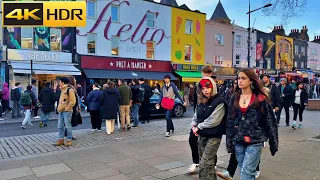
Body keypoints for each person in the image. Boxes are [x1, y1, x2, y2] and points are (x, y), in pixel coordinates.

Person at [226, 69, 278, 180]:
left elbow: (270, 121)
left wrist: (273, 143)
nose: (240, 81)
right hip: (239, 141)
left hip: (255, 141)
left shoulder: (261, 99)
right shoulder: (234, 98)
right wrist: (229, 142)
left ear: (251, 81)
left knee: (247, 173)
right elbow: (229, 121)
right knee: (245, 172)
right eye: (238, 78)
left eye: (243, 78)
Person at [191, 77, 227, 180]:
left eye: (208, 87)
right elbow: (196, 115)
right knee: (208, 163)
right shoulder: (201, 101)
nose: (205, 90)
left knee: (204, 163)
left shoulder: (220, 101)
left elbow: (214, 120)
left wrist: (198, 127)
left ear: (213, 87)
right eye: (203, 88)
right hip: (203, 135)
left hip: (214, 135)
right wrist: (194, 125)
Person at [189, 65, 213, 173]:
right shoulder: (198, 85)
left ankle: (213, 163)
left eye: (209, 73)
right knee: (192, 140)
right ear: (202, 73)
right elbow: (196, 103)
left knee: (210, 142)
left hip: (210, 117)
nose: (206, 75)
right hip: (199, 116)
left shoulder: (214, 85)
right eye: (205, 73)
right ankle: (196, 161)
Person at [55, 77, 76, 147]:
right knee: (60, 126)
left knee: (68, 126)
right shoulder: (62, 90)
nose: (59, 83)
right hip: (61, 110)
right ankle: (61, 139)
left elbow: (73, 101)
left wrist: (67, 108)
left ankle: (69, 140)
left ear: (63, 82)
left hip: (67, 111)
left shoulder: (69, 90)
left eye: (60, 82)